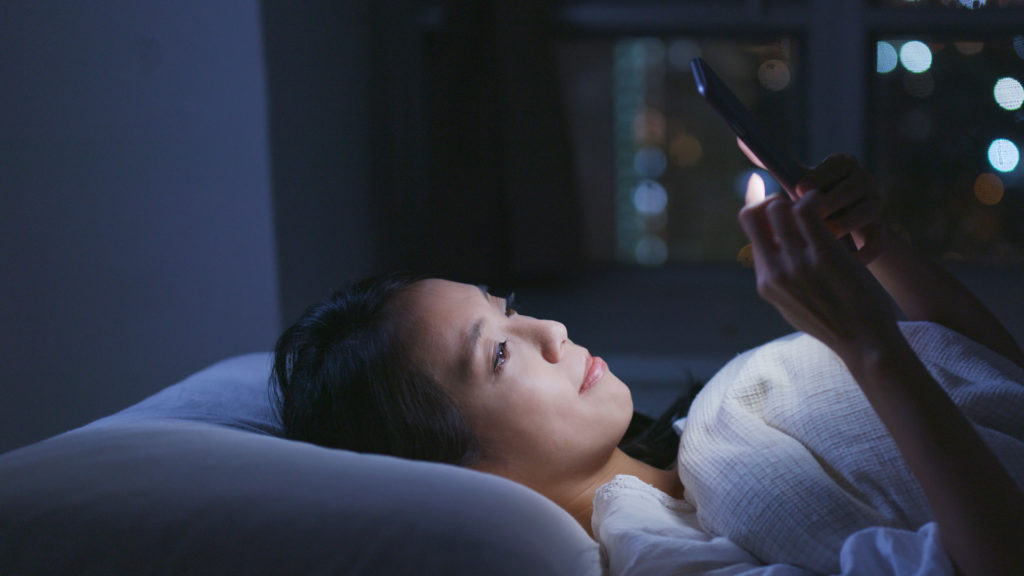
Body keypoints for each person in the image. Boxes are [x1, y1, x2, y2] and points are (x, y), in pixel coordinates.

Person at [270, 155, 1024, 575]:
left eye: (509, 308)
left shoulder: (708, 432)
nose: (553, 330)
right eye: (499, 353)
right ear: (459, 474)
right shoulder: (664, 558)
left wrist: (876, 245)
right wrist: (864, 342)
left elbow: (995, 382)